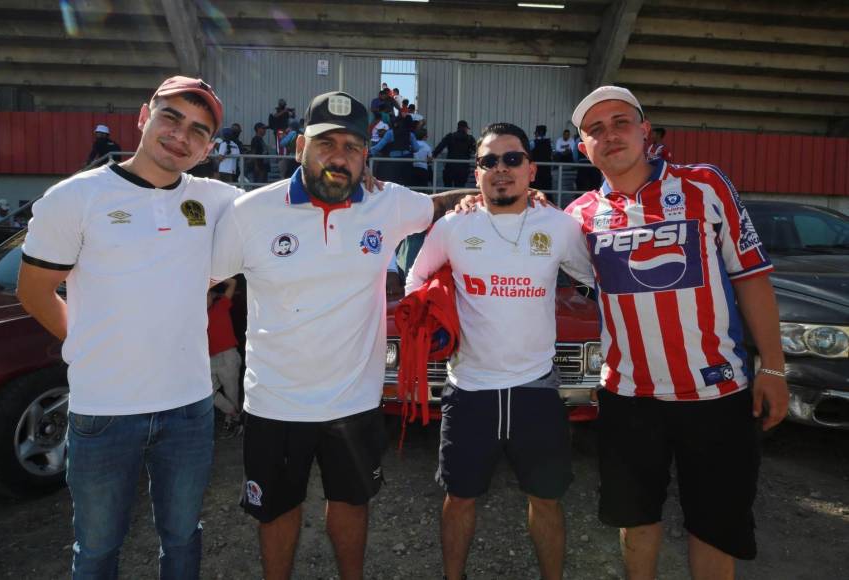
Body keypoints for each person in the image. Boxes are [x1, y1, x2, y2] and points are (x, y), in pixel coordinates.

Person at [210, 90, 471, 580]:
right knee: (277, 509)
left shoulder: (386, 204)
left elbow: (439, 206)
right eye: (326, 143)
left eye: (352, 147)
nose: (340, 156)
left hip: (354, 401)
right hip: (275, 402)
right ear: (298, 148)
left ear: (365, 156)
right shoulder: (251, 213)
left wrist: (497, 191)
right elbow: (199, 280)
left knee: (351, 503)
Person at [16, 75, 237, 579]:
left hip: (188, 409)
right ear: (144, 116)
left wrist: (373, 183)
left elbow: (285, 207)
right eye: (172, 118)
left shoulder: (219, 200)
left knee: (183, 539)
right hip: (104, 411)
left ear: (207, 148)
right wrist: (91, 344)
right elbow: (33, 292)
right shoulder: (74, 198)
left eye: (199, 131)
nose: (181, 136)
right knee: (96, 549)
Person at [565, 85, 788, 579]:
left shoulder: (704, 185)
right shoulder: (576, 218)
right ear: (584, 148)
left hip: (715, 394)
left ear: (646, 131)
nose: (610, 135)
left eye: (621, 122)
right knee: (636, 521)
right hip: (628, 398)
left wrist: (773, 365)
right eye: (594, 130)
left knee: (715, 527)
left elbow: (751, 275)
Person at [407, 122, 594, 580]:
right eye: (490, 161)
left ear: (532, 170)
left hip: (536, 389)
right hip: (469, 390)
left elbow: (598, 281)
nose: (501, 169)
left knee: (546, 499)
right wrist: (439, 315)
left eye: (512, 159)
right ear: (477, 175)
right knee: (460, 497)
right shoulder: (454, 226)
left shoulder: (560, 226)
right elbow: (415, 282)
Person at [208, 277, 242, 437]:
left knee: (231, 392)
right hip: (210, 358)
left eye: (207, 295)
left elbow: (233, 283)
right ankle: (236, 414)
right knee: (208, 391)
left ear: (213, 296)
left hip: (227, 355)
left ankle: (234, 423)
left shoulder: (221, 305)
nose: (204, 299)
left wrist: (211, 279)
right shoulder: (197, 315)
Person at [433, 121, 476, 188]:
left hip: (450, 167)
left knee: (447, 188)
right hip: (463, 168)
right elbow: (477, 151)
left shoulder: (450, 136)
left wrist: (433, 156)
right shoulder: (470, 138)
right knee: (459, 189)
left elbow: (440, 147)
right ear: (465, 128)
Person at [529, 124, 554, 192]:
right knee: (546, 190)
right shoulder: (550, 143)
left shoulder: (532, 143)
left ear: (537, 133)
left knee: (535, 189)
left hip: (536, 170)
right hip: (546, 170)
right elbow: (552, 154)